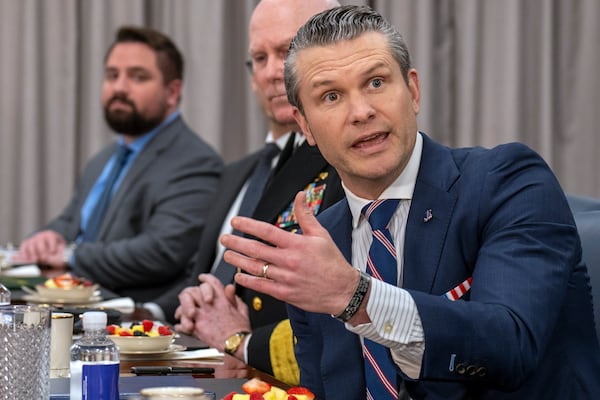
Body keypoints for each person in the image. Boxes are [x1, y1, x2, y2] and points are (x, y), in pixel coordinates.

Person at [220, 5, 600, 399]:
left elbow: (511, 344)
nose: (362, 111)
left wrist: (357, 297)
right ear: (305, 126)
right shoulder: (321, 242)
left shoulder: (507, 181)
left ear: (413, 91)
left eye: (376, 83)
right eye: (331, 96)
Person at [148, 0, 343, 386]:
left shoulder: (344, 161)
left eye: (287, 51)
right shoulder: (238, 172)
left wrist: (238, 335)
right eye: (259, 57)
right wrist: (195, 304)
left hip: (280, 375)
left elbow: (339, 301)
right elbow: (205, 275)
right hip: (206, 356)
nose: (273, 72)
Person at [15, 26, 223, 303]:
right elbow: (70, 222)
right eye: (112, 75)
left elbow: (161, 251)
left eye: (138, 77)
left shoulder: (196, 162)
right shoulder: (102, 160)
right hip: (72, 307)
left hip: (135, 323)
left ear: (172, 92)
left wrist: (69, 255)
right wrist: (48, 237)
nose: (119, 87)